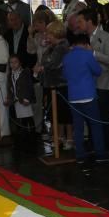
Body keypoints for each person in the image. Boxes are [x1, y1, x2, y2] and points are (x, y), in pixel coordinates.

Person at [63, 31, 109, 165]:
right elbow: (98, 71)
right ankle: (100, 154)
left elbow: (65, 75)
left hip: (73, 97)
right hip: (88, 95)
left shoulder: (67, 57)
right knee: (95, 125)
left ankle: (80, 155)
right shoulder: (87, 55)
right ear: (87, 44)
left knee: (78, 127)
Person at [81, 8, 109, 146]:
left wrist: (94, 53)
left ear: (89, 21)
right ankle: (93, 144)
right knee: (90, 117)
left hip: (103, 83)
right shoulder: (82, 37)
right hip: (88, 84)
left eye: (81, 21)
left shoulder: (107, 36)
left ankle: (106, 145)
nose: (78, 24)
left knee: (103, 117)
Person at [37, 21, 72, 150]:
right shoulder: (52, 47)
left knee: (65, 113)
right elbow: (44, 60)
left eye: (49, 33)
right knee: (56, 113)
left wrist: (44, 62)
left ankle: (69, 138)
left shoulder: (62, 47)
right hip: (52, 84)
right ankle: (60, 136)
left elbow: (51, 62)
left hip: (61, 84)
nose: (46, 36)